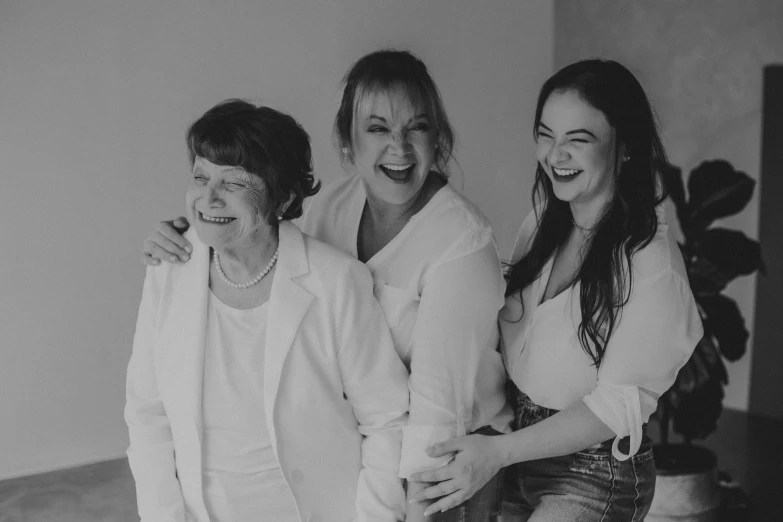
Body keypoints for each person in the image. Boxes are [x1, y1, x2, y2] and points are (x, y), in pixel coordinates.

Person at [140, 50, 512, 522]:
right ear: (348, 142)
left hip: (450, 457)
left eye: (416, 127)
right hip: (370, 441)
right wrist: (188, 234)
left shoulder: (462, 244)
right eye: (377, 128)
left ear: (437, 138)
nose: (398, 146)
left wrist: (403, 513)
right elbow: (265, 241)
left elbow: (436, 411)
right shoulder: (331, 206)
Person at [406, 59, 704, 521]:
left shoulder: (651, 266)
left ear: (623, 147)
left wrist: (498, 454)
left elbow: (612, 408)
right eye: (546, 135)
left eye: (578, 141)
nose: (554, 155)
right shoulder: (545, 222)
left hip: (594, 472)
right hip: (517, 448)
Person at [125, 99, 410, 522]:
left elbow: (387, 422)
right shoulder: (171, 268)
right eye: (200, 176)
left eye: (234, 184)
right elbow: (147, 414)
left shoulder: (337, 282)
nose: (208, 198)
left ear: (282, 198)